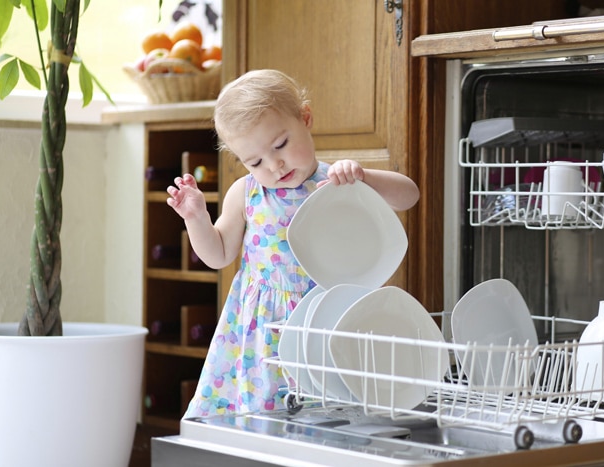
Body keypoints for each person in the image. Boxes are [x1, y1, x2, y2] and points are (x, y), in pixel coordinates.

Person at [166, 69, 420, 418]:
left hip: (325, 320)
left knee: (330, 413)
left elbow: (409, 195)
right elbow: (218, 254)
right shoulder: (246, 193)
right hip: (263, 331)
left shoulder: (338, 182)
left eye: (280, 145)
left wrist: (364, 177)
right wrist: (195, 217)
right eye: (254, 161)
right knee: (263, 418)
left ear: (306, 118)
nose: (274, 164)